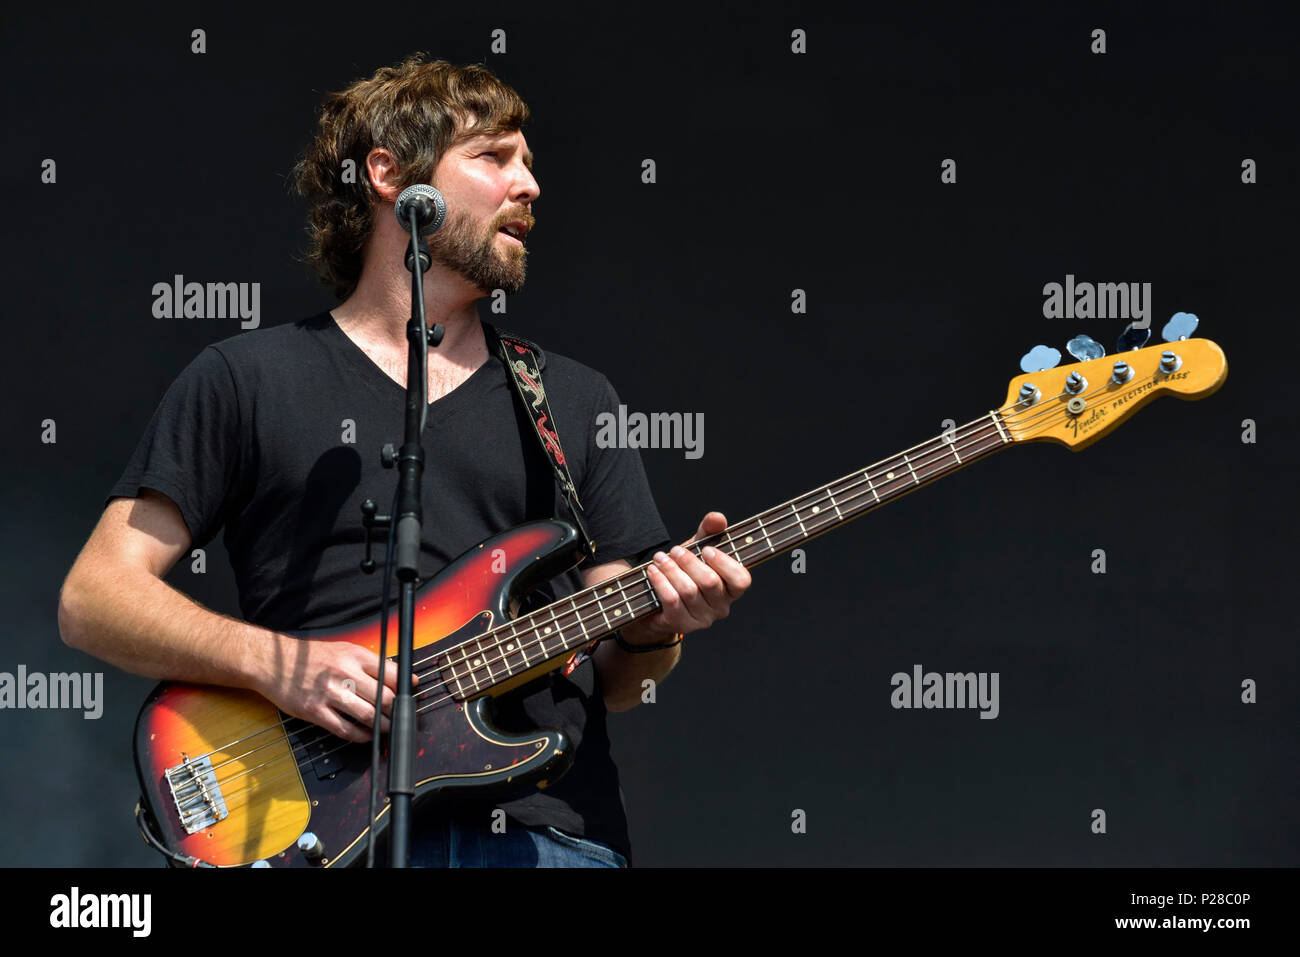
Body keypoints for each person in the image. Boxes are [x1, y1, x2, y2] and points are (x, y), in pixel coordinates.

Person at [56, 55, 751, 868]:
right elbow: (93, 596)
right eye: (494, 157)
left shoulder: (573, 399)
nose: (528, 186)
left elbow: (622, 676)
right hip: (313, 832)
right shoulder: (246, 378)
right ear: (388, 174)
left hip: (544, 835)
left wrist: (657, 627)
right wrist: (281, 665)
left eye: (530, 164)